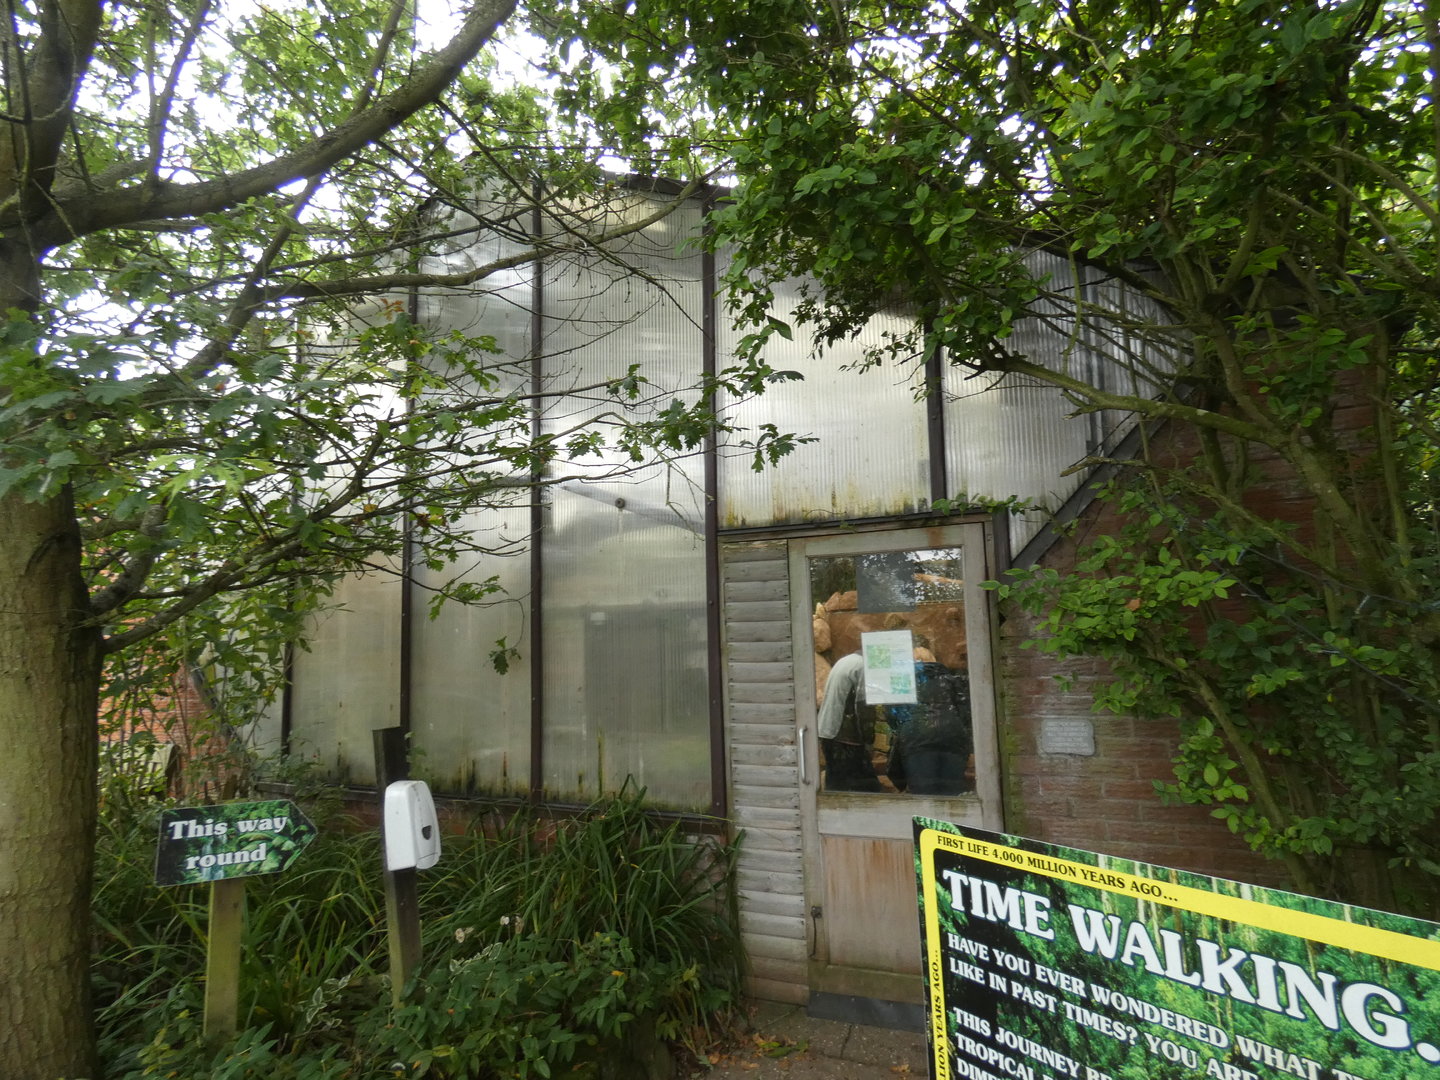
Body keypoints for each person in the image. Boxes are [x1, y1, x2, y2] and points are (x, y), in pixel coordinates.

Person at [816, 652, 883, 792]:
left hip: (829, 729)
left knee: (837, 781)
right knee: (864, 786)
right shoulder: (863, 667)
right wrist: (869, 738)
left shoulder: (847, 660)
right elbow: (863, 707)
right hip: (844, 736)